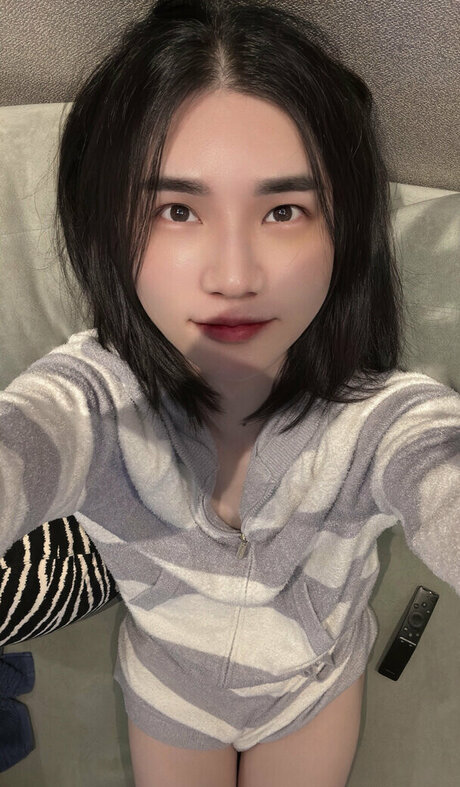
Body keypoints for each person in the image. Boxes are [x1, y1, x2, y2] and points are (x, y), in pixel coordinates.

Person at [0, 0, 459, 785]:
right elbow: (27, 442)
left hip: (312, 687)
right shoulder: (92, 402)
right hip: (171, 687)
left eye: (284, 210)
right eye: (178, 210)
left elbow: (435, 467)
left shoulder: (385, 421)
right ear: (108, 226)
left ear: (342, 231)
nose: (236, 275)